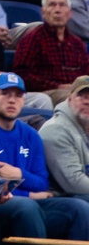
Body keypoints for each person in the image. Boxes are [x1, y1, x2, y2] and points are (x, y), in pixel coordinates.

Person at [0, 72, 89, 243]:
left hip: (30, 204)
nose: (12, 100)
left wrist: (19, 174)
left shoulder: (30, 135)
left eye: (18, 95)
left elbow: (42, 182)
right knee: (26, 207)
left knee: (79, 208)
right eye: (5, 94)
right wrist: (30, 195)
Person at [14, 0, 89, 103]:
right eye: (52, 5)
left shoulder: (77, 44)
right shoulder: (32, 40)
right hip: (46, 94)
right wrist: (58, 86)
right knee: (72, 98)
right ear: (43, 12)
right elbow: (22, 76)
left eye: (62, 5)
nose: (57, 10)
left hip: (78, 92)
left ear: (69, 13)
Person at [40, 74, 89, 202]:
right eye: (81, 96)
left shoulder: (85, 125)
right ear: (69, 99)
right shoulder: (55, 130)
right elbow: (74, 183)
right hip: (58, 199)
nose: (87, 101)